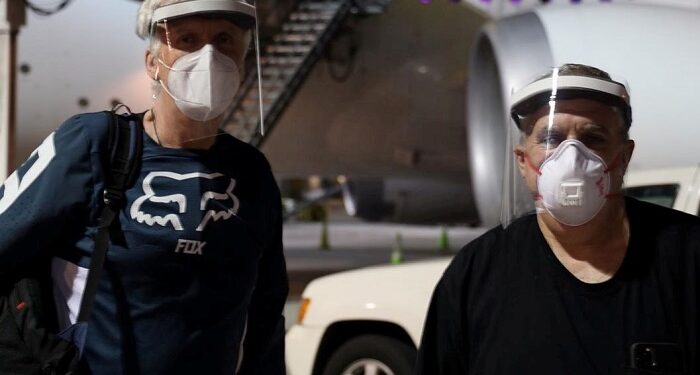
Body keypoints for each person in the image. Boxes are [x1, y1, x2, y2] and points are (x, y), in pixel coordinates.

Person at [0, 0, 288, 373]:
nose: (208, 56)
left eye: (224, 40)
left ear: (243, 61)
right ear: (153, 62)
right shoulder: (95, 145)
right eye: (187, 39)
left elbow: (266, 315)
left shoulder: (252, 173)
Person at [414, 63, 700, 374]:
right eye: (551, 138)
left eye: (593, 138)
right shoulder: (475, 275)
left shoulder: (689, 256)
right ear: (523, 162)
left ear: (623, 158)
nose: (571, 156)